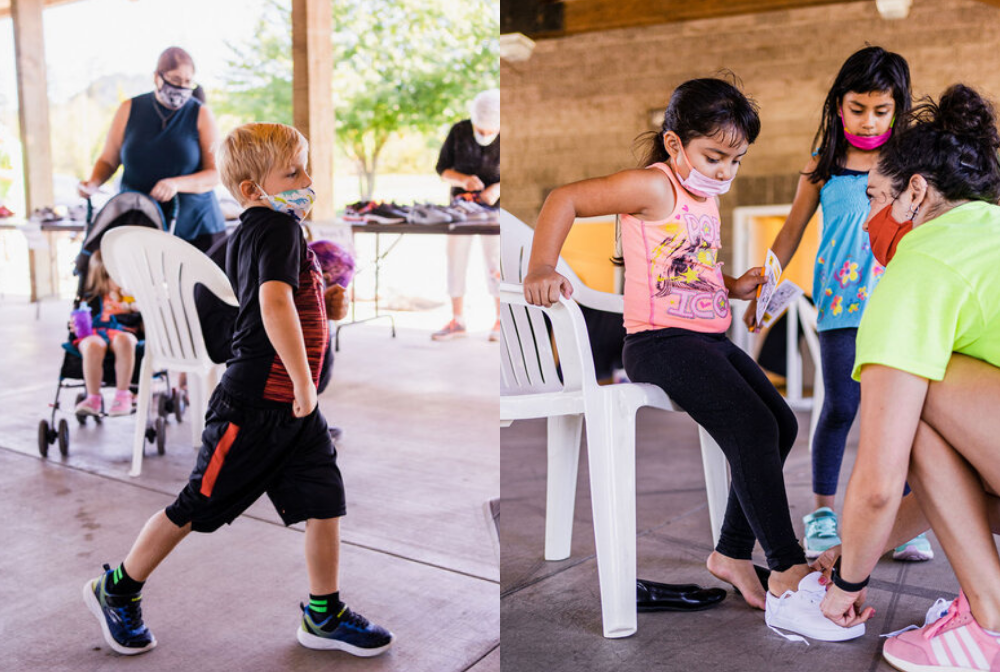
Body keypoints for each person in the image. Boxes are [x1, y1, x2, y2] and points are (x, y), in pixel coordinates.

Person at [523, 77, 859, 641]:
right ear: (675, 144)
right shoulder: (653, 187)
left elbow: (685, 269)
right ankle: (785, 565)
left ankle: (730, 555)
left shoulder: (706, 199)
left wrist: (733, 285)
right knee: (751, 425)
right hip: (659, 342)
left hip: (707, 337)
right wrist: (540, 265)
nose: (725, 171)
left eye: (736, 160)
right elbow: (566, 198)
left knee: (778, 423)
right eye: (714, 156)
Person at [83, 122, 392, 657]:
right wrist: (303, 379)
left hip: (292, 407)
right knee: (195, 507)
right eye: (293, 171)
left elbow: (278, 300)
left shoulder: (265, 228)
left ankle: (323, 613)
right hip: (254, 406)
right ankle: (117, 589)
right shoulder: (276, 228)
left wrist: (325, 306)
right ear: (253, 190)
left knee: (324, 499)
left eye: (305, 167)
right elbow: (272, 307)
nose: (307, 179)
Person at [817, 85, 1000, 669]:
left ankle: (991, 623)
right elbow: (950, 481)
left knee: (911, 395)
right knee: (930, 404)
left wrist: (846, 584)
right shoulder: (987, 232)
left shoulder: (921, 263)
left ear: (915, 192)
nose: (867, 218)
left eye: (874, 198)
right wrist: (861, 550)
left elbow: (878, 481)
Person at [744, 47, 931, 563]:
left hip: (897, 306)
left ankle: (901, 516)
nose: (868, 120)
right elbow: (789, 233)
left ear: (898, 108)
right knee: (842, 408)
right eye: (856, 108)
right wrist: (766, 289)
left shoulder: (910, 164)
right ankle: (823, 513)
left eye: (880, 110)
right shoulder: (822, 165)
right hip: (839, 305)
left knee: (902, 416)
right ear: (838, 105)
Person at [78, 47, 226, 253]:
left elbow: (215, 174)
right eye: (175, 79)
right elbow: (109, 160)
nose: (182, 88)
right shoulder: (128, 109)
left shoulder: (201, 113)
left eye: (187, 82)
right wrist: (93, 183)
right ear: (157, 77)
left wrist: (175, 184)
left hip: (196, 227)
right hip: (140, 221)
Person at [433, 88, 501, 342]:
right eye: (480, 130)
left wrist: (498, 188)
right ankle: (458, 319)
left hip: (495, 213)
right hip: (460, 211)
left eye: (490, 131)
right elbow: (442, 169)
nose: (484, 135)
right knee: (455, 260)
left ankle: (500, 319)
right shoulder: (459, 131)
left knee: (495, 263)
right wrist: (463, 180)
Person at [70, 250, 140, 417]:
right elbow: (78, 320)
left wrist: (137, 309)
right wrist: (75, 325)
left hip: (121, 332)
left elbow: (142, 323)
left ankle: (123, 394)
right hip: (94, 333)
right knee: (92, 344)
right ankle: (93, 397)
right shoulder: (91, 298)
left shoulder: (130, 297)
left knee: (126, 340)